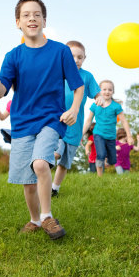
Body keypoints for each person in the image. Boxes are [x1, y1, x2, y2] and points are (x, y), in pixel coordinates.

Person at [0, 0, 84, 240]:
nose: (32, 18)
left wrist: (73, 109)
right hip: (21, 123)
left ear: (44, 20)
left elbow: (78, 86)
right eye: (26, 15)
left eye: (37, 14)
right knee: (28, 183)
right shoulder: (14, 56)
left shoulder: (60, 51)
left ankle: (47, 217)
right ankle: (34, 219)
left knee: (41, 163)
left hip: (51, 119)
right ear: (18, 22)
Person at [51, 40, 101, 197]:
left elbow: (96, 93)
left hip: (75, 128)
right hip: (56, 123)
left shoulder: (87, 76)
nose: (76, 60)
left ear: (84, 58)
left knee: (64, 164)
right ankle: (38, 175)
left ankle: (54, 189)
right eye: (72, 56)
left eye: (80, 57)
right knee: (56, 153)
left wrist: (99, 98)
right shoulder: (56, 73)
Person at [82, 80, 133, 177]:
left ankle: (106, 158)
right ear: (99, 91)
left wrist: (129, 136)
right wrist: (81, 134)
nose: (107, 92)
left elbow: (124, 121)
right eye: (104, 89)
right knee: (100, 155)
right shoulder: (95, 105)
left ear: (113, 92)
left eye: (110, 90)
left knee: (113, 160)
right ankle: (99, 177)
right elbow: (88, 121)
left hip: (111, 136)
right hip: (98, 134)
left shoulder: (116, 106)